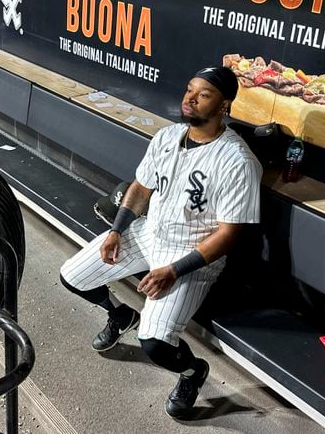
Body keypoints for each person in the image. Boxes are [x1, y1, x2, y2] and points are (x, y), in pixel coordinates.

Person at [60, 66, 262, 418]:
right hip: (148, 232)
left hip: (191, 254)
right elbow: (140, 189)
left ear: (223, 105)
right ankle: (119, 314)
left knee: (154, 343)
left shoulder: (237, 161)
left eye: (204, 95)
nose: (190, 99)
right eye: (189, 90)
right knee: (72, 276)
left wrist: (173, 270)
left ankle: (193, 372)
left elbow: (229, 234)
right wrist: (117, 230)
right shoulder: (168, 137)